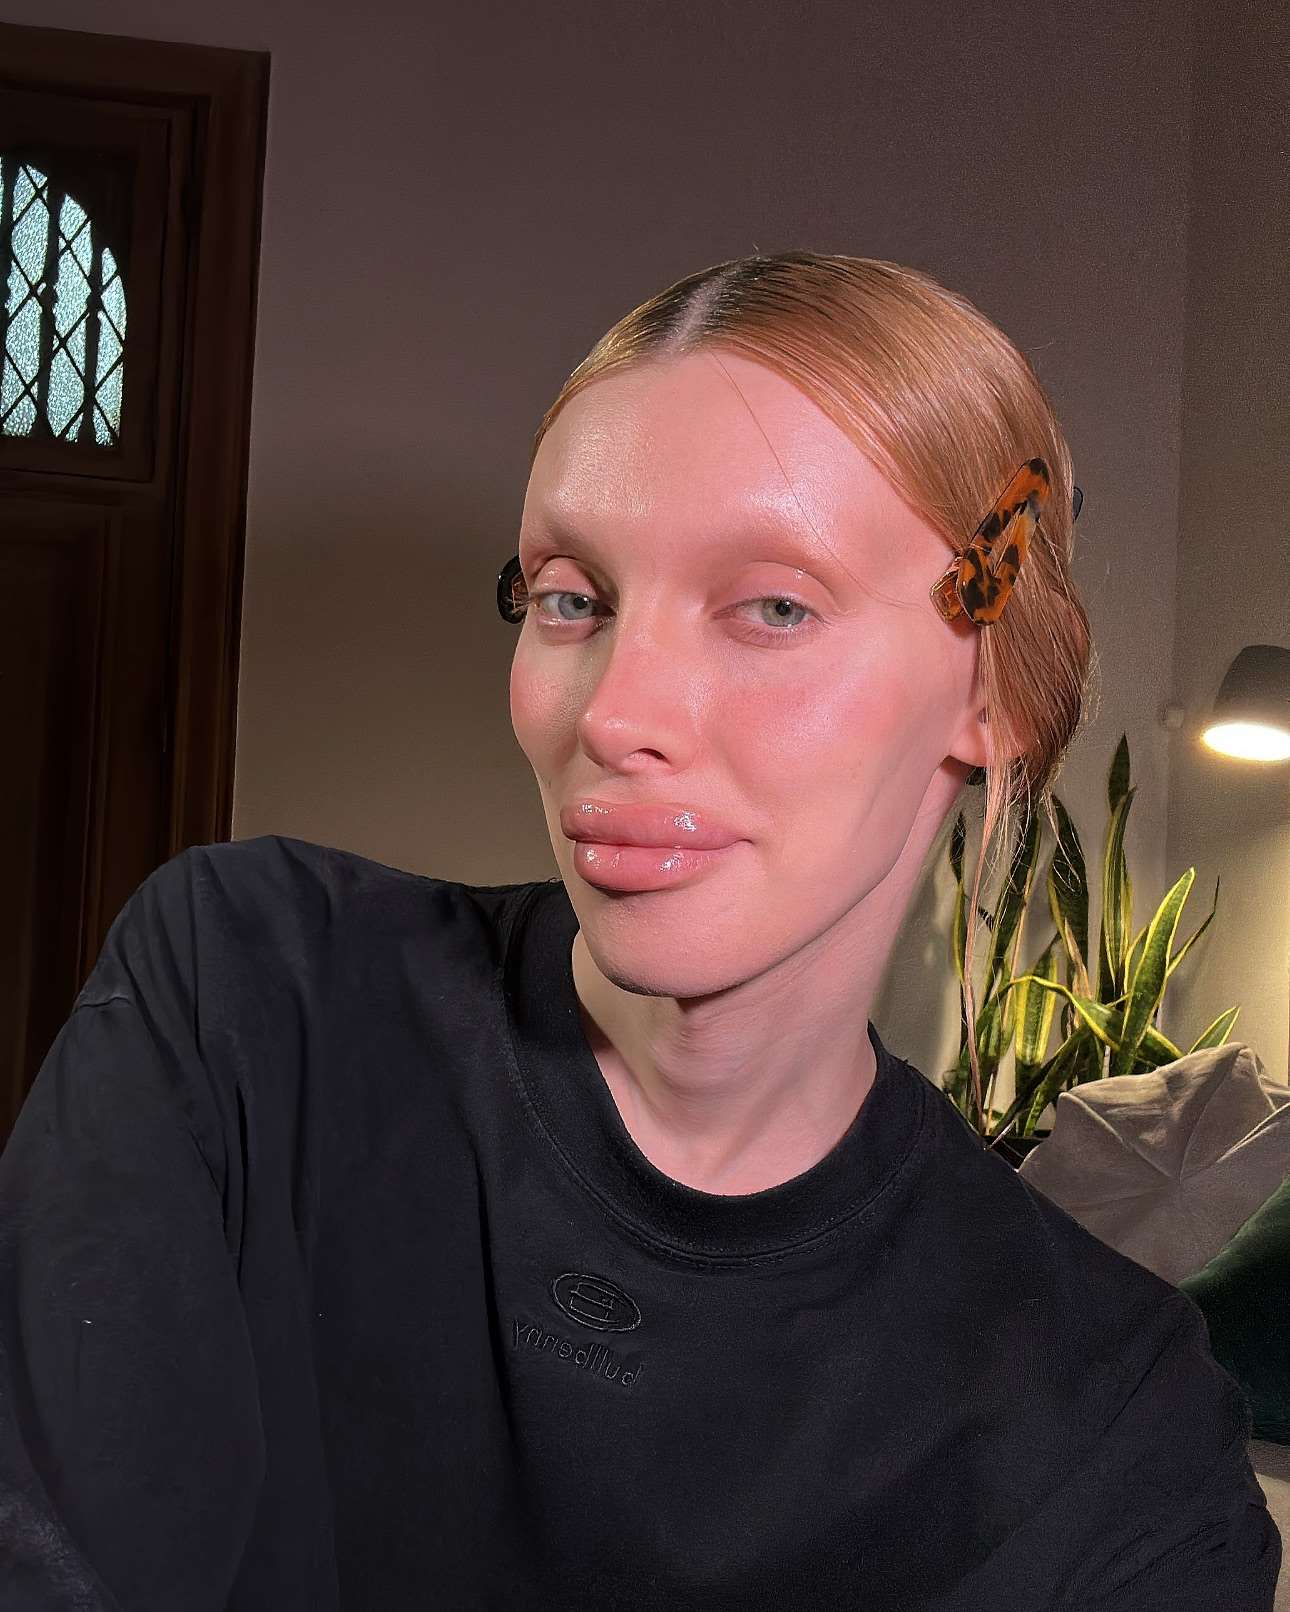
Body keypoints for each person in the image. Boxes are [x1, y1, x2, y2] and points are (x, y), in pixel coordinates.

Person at [0, 251, 1279, 1611]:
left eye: (773, 607)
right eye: (572, 598)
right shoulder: (250, 994)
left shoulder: (1115, 1430)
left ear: (993, 694)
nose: (612, 715)